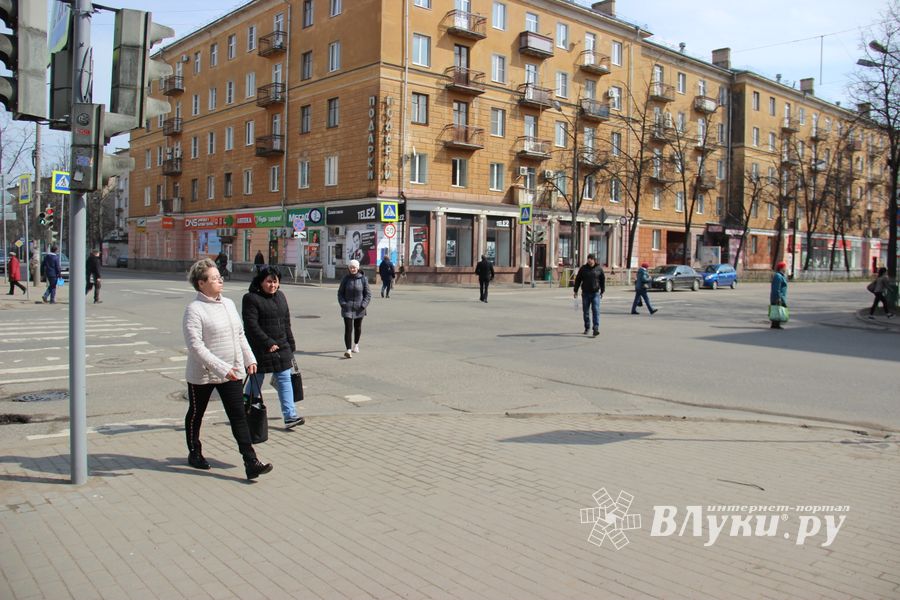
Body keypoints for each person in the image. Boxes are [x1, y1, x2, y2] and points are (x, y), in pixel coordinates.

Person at [182, 258, 273, 480]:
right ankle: (195, 451)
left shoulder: (229, 304)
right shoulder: (194, 309)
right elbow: (195, 346)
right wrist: (220, 368)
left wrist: (249, 358)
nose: (219, 280)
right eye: (214, 278)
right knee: (196, 413)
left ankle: (250, 461)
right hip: (203, 373)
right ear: (201, 283)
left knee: (238, 416)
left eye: (219, 277)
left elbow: (239, 334)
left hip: (231, 372)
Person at [242, 266, 305, 429]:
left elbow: (286, 322)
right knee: (257, 378)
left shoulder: (281, 297)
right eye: (269, 281)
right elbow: (251, 326)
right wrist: (267, 342)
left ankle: (290, 416)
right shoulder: (251, 298)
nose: (272, 285)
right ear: (260, 282)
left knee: (284, 379)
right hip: (261, 347)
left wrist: (291, 343)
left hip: (282, 346)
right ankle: (246, 408)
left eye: (275, 282)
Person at [337, 259, 371, 358]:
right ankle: (348, 350)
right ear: (349, 268)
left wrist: (363, 305)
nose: (352, 269)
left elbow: (368, 294)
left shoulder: (363, 279)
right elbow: (340, 293)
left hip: (359, 308)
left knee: (357, 327)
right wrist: (343, 303)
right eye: (351, 267)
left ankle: (356, 344)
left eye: (354, 267)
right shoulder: (345, 279)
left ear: (358, 268)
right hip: (347, 308)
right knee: (348, 329)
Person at [573, 254, 606, 336]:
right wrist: (575, 291)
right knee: (586, 312)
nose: (589, 260)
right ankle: (587, 327)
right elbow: (578, 280)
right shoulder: (583, 269)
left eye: (591, 259)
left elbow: (602, 280)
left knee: (596, 310)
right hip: (585, 293)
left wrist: (602, 291)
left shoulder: (599, 269)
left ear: (594, 260)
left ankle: (595, 328)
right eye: (588, 259)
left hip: (595, 293)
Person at [769, 261, 788, 329]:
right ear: (782, 268)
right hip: (778, 296)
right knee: (777, 309)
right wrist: (778, 298)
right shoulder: (778, 276)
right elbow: (777, 288)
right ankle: (775, 324)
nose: (786, 268)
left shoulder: (780, 276)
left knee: (777, 309)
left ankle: (775, 324)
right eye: (785, 267)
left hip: (779, 296)